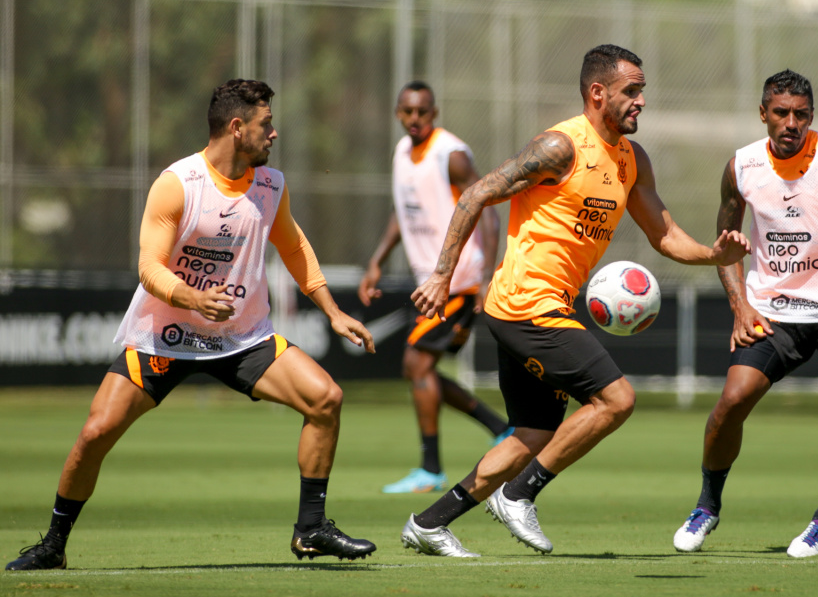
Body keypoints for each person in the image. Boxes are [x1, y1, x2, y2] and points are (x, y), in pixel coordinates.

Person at [5, 79, 378, 571]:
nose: (275, 133)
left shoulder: (271, 185)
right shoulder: (178, 183)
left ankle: (311, 529)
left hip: (242, 338)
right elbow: (149, 267)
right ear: (236, 126)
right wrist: (194, 298)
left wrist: (332, 310)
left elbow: (294, 248)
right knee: (96, 432)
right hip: (167, 336)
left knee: (326, 398)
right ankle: (54, 542)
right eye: (266, 124)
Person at [400, 44, 751, 557]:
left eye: (642, 91)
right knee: (617, 399)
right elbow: (476, 194)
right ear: (597, 93)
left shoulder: (632, 160)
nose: (641, 101)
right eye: (632, 91)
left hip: (542, 308)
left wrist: (711, 253)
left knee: (534, 433)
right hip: (525, 304)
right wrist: (440, 276)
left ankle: (429, 523)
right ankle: (518, 495)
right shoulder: (560, 147)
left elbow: (664, 233)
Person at [672, 69, 818, 558]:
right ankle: (706, 506)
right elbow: (726, 247)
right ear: (764, 115)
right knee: (732, 401)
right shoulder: (740, 167)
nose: (790, 122)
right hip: (774, 309)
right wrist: (739, 305)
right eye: (781, 113)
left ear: (811, 116)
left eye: (800, 114)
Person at [358, 81, 511, 495]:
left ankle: (431, 469)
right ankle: (501, 429)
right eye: (407, 112)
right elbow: (403, 211)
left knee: (416, 363)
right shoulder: (402, 154)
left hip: (458, 281)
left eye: (422, 112)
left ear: (434, 113)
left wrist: (486, 277)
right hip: (428, 283)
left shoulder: (452, 155)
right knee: (419, 367)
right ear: (397, 114)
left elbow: (490, 209)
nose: (414, 119)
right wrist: (376, 261)